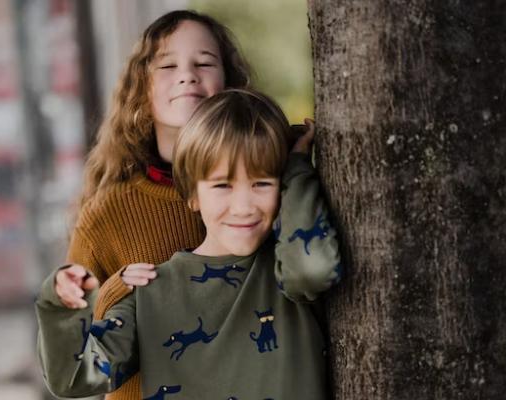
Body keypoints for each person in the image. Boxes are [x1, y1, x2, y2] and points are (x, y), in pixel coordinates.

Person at [36, 89, 341, 399]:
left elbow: (314, 268)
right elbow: (74, 378)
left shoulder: (285, 269)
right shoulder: (149, 294)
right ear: (193, 194)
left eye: (262, 183)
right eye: (223, 185)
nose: (244, 206)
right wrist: (59, 304)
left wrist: (299, 168)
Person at [58, 10, 250, 399]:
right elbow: (73, 351)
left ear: (228, 82)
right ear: (141, 89)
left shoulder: (259, 191)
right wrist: (117, 292)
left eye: (205, 62)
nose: (188, 74)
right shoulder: (107, 214)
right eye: (167, 64)